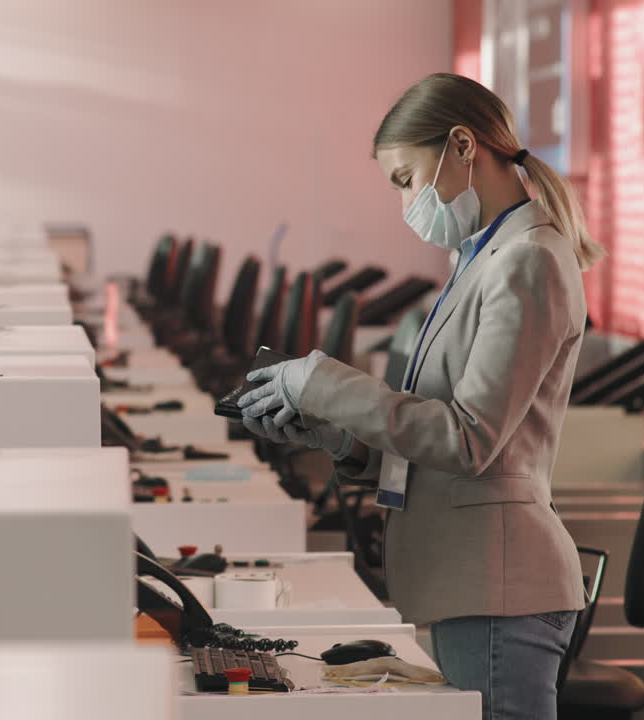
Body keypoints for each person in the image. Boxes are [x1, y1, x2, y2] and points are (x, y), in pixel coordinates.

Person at [237, 73, 600, 720]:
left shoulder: (529, 261)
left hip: (501, 586)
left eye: (406, 179)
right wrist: (340, 439)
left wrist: (322, 380)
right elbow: (442, 438)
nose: (406, 199)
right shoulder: (481, 257)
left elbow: (469, 440)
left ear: (464, 145)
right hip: (472, 584)